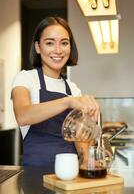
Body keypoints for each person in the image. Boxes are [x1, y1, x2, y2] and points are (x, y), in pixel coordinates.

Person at [11, 16, 99, 171]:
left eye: (64, 43)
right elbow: (23, 116)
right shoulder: (25, 78)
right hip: (35, 176)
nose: (58, 50)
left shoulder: (73, 88)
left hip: (69, 174)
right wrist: (68, 102)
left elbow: (80, 141)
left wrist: (87, 158)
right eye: (50, 43)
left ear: (70, 47)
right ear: (38, 47)